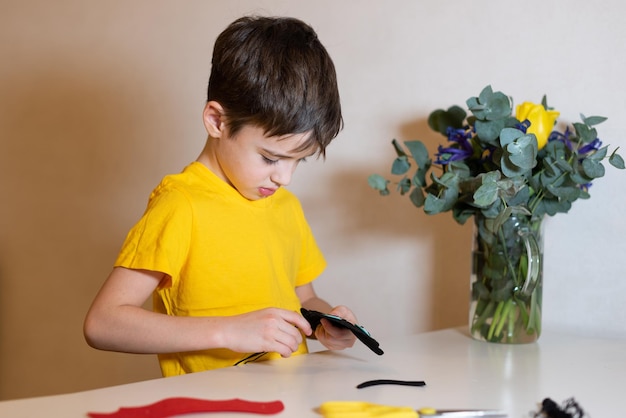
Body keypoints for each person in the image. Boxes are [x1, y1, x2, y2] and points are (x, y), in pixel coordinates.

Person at [83, 15, 357, 376]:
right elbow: (103, 323)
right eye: (270, 158)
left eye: (298, 161)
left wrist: (325, 323)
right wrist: (229, 330)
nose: (285, 178)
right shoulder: (181, 205)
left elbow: (303, 298)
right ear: (217, 121)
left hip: (290, 398)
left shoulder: (284, 206)